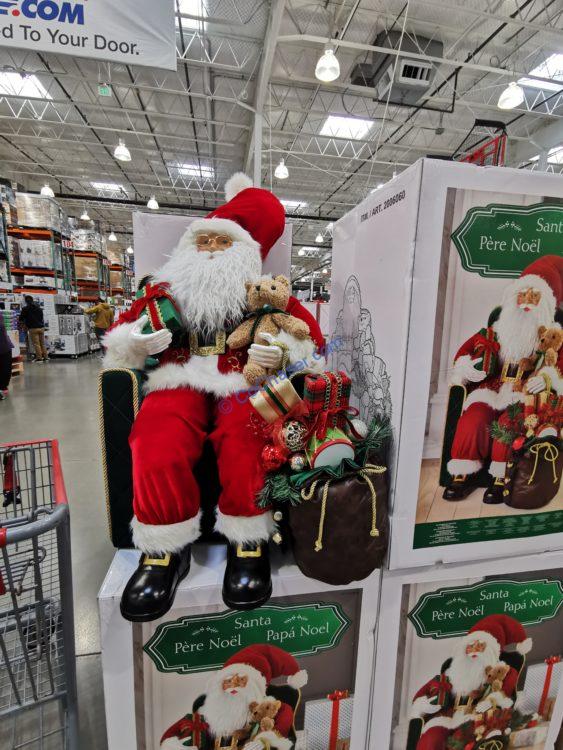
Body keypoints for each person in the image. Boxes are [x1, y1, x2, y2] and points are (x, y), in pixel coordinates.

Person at [103, 173, 324, 621]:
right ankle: (165, 550)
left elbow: (311, 340)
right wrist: (136, 343)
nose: (209, 248)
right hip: (176, 378)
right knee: (156, 436)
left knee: (246, 433)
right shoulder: (163, 289)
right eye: (203, 240)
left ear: (245, 252)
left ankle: (248, 541)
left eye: (222, 243)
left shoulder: (261, 294)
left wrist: (280, 351)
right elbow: (121, 334)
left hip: (239, 381)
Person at [444, 255, 563, 503]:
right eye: (523, 294)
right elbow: (466, 351)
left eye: (535, 296)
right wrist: (467, 367)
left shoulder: (551, 337)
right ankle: (462, 474)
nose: (527, 302)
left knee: (509, 424)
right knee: (474, 417)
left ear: (546, 304)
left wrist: (548, 378)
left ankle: (501, 476)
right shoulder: (496, 330)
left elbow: (559, 366)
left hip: (523, 394)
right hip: (492, 388)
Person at [411, 615, 531, 750]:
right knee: (432, 738)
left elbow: (506, 692)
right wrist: (425, 704)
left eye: (480, 646)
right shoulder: (451, 673)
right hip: (447, 717)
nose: (474, 650)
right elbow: (425, 691)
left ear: (490, 650)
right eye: (470, 646)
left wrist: (491, 701)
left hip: (477, 718)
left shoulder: (502, 671)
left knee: (461, 742)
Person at [160, 645, 306, 750]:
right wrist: (173, 744)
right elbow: (171, 734)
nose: (233, 686)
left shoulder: (274, 709)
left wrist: (264, 741)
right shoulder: (210, 714)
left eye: (241, 681)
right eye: (228, 681)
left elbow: (282, 729)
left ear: (254, 686)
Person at [19, 295, 48, 362]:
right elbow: (41, 317)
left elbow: (21, 318)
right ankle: (46, 357)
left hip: (33, 329)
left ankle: (39, 358)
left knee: (36, 344)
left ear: (26, 301)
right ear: (32, 300)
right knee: (42, 343)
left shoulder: (25, 309)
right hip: (41, 328)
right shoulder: (39, 308)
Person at [0, 315, 13, 399]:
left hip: (4, 347)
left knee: (6, 369)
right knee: (6, 368)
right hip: (5, 347)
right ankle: (3, 386)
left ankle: (3, 386)